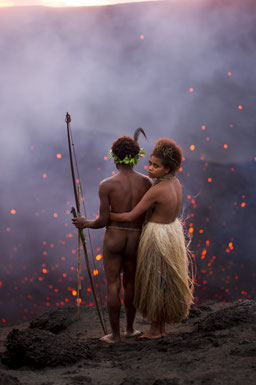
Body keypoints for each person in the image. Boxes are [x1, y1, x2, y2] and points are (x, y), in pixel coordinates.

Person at [72, 130, 152, 344]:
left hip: (114, 237)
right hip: (136, 238)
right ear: (136, 156)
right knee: (131, 284)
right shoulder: (147, 183)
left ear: (114, 156)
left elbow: (102, 220)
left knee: (113, 284)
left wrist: (86, 223)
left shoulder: (106, 185)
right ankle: (130, 329)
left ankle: (115, 335)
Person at [110, 138, 194, 339]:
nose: (149, 168)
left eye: (155, 166)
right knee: (164, 279)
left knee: (157, 281)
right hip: (171, 233)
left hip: (157, 237)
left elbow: (131, 216)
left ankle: (155, 329)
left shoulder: (157, 190)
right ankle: (160, 327)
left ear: (167, 168)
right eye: (149, 163)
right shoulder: (175, 183)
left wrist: (106, 217)